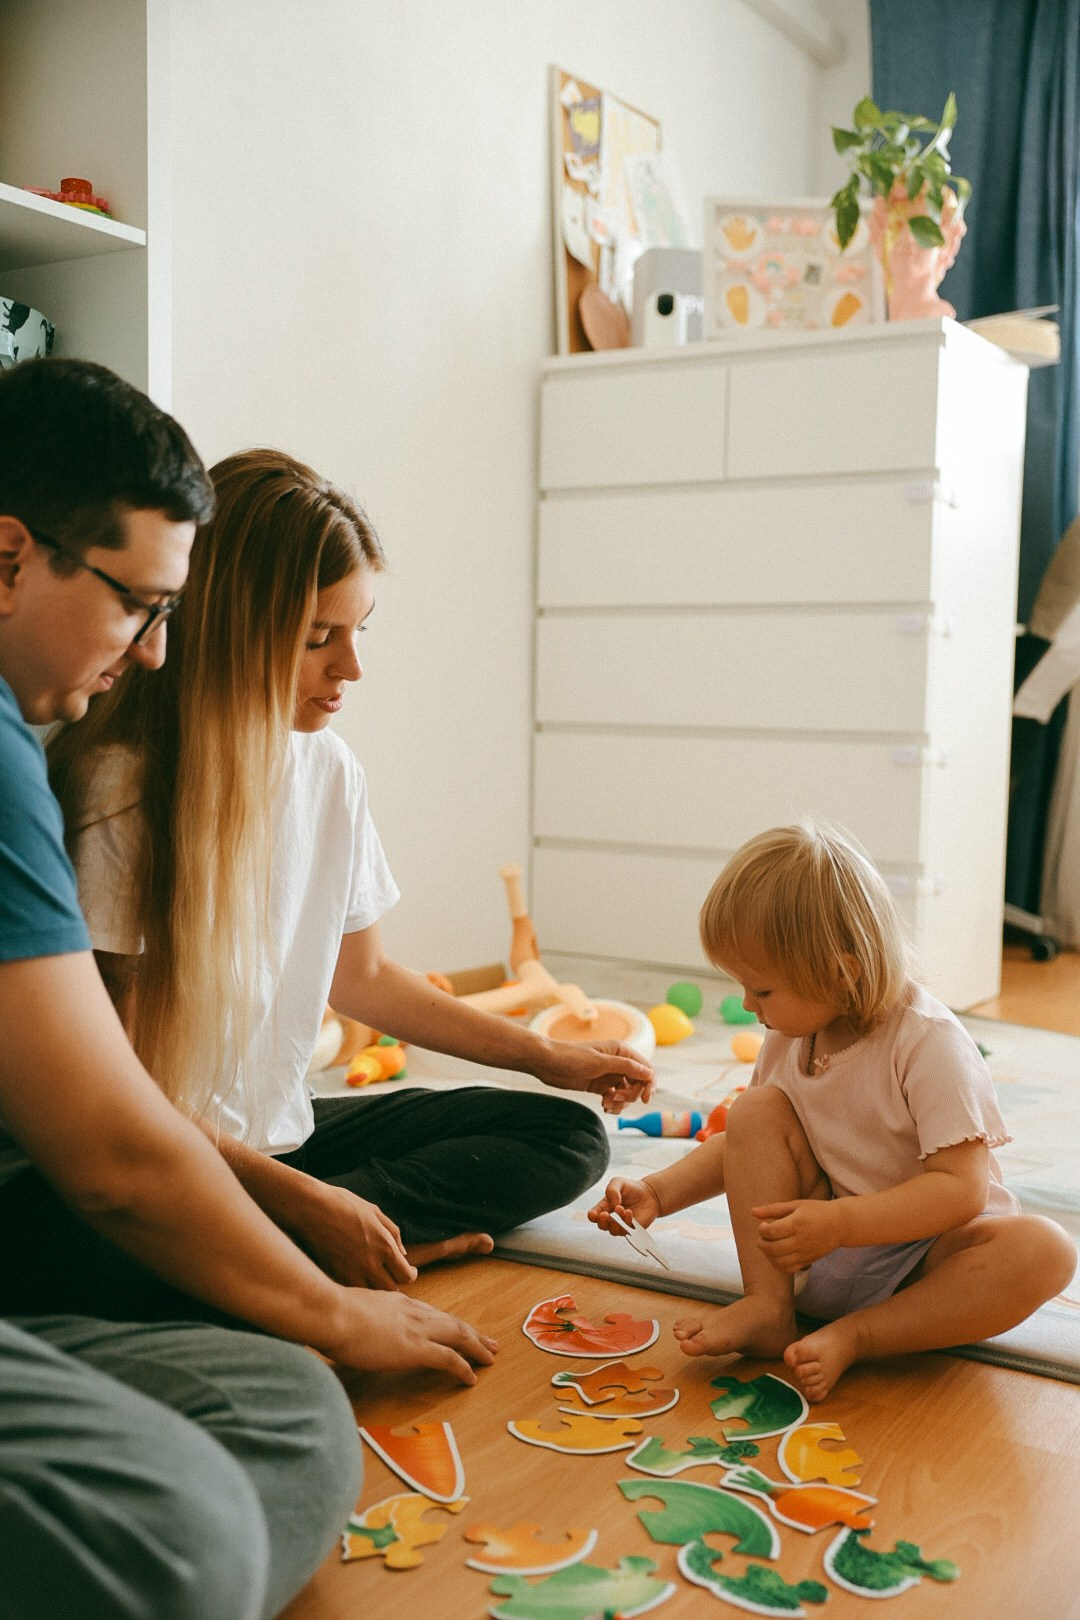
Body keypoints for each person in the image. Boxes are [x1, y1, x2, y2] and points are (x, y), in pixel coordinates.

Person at [0, 358, 495, 1620]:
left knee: (285, 1409)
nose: (156, 652)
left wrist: (547, 1058)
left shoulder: (36, 741)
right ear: (11, 554)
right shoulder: (88, 774)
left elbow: (364, 979)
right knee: (216, 1511)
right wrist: (327, 1305)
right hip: (96, 1181)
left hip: (184, 1159)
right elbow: (111, 1142)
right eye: (135, 605)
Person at [37, 445, 652, 1312]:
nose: (350, 667)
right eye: (318, 639)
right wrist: (313, 1204)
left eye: (360, 631)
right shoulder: (124, 787)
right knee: (84, 1251)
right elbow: (130, 1108)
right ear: (231, 629)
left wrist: (548, 1058)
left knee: (564, 1136)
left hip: (277, 1142)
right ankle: (308, 1255)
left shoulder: (328, 772)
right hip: (174, 1164)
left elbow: (359, 976)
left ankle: (297, 1256)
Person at [589, 823, 1076, 1402]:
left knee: (1044, 1251)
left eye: (762, 991)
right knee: (753, 1111)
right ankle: (769, 1309)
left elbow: (961, 1191)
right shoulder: (793, 1030)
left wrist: (842, 1225)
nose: (747, 1006)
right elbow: (745, 1144)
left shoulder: (929, 1042)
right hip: (821, 1253)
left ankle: (861, 1336)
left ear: (841, 972)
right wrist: (660, 1194)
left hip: (929, 1262)